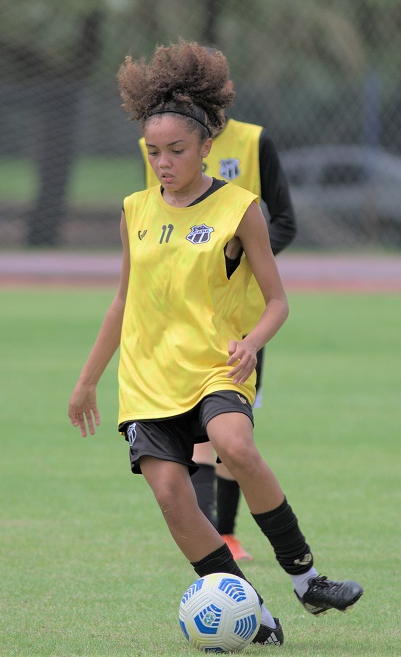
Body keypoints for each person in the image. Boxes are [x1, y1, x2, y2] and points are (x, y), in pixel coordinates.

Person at [68, 41, 362, 647]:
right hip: (148, 379)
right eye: (153, 152)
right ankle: (249, 614)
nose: (163, 162)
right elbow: (122, 302)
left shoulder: (240, 209)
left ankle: (307, 581)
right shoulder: (134, 210)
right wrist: (86, 381)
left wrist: (252, 343)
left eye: (176, 151)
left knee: (235, 444)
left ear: (207, 147)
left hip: (216, 366)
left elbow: (278, 301)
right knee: (173, 497)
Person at [136, 46, 297, 562]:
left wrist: (236, 258)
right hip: (176, 325)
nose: (164, 159)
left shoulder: (254, 142)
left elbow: (285, 222)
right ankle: (218, 542)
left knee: (232, 438)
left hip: (242, 319)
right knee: (201, 436)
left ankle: (230, 533)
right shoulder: (164, 148)